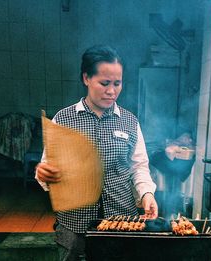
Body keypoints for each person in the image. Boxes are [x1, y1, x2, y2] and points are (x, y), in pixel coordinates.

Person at [35, 45, 158, 261]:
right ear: (86, 78)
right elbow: (47, 167)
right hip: (74, 224)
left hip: (121, 221)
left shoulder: (129, 121)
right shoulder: (63, 120)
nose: (111, 91)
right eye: (104, 83)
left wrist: (147, 194)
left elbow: (139, 166)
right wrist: (45, 174)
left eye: (117, 83)